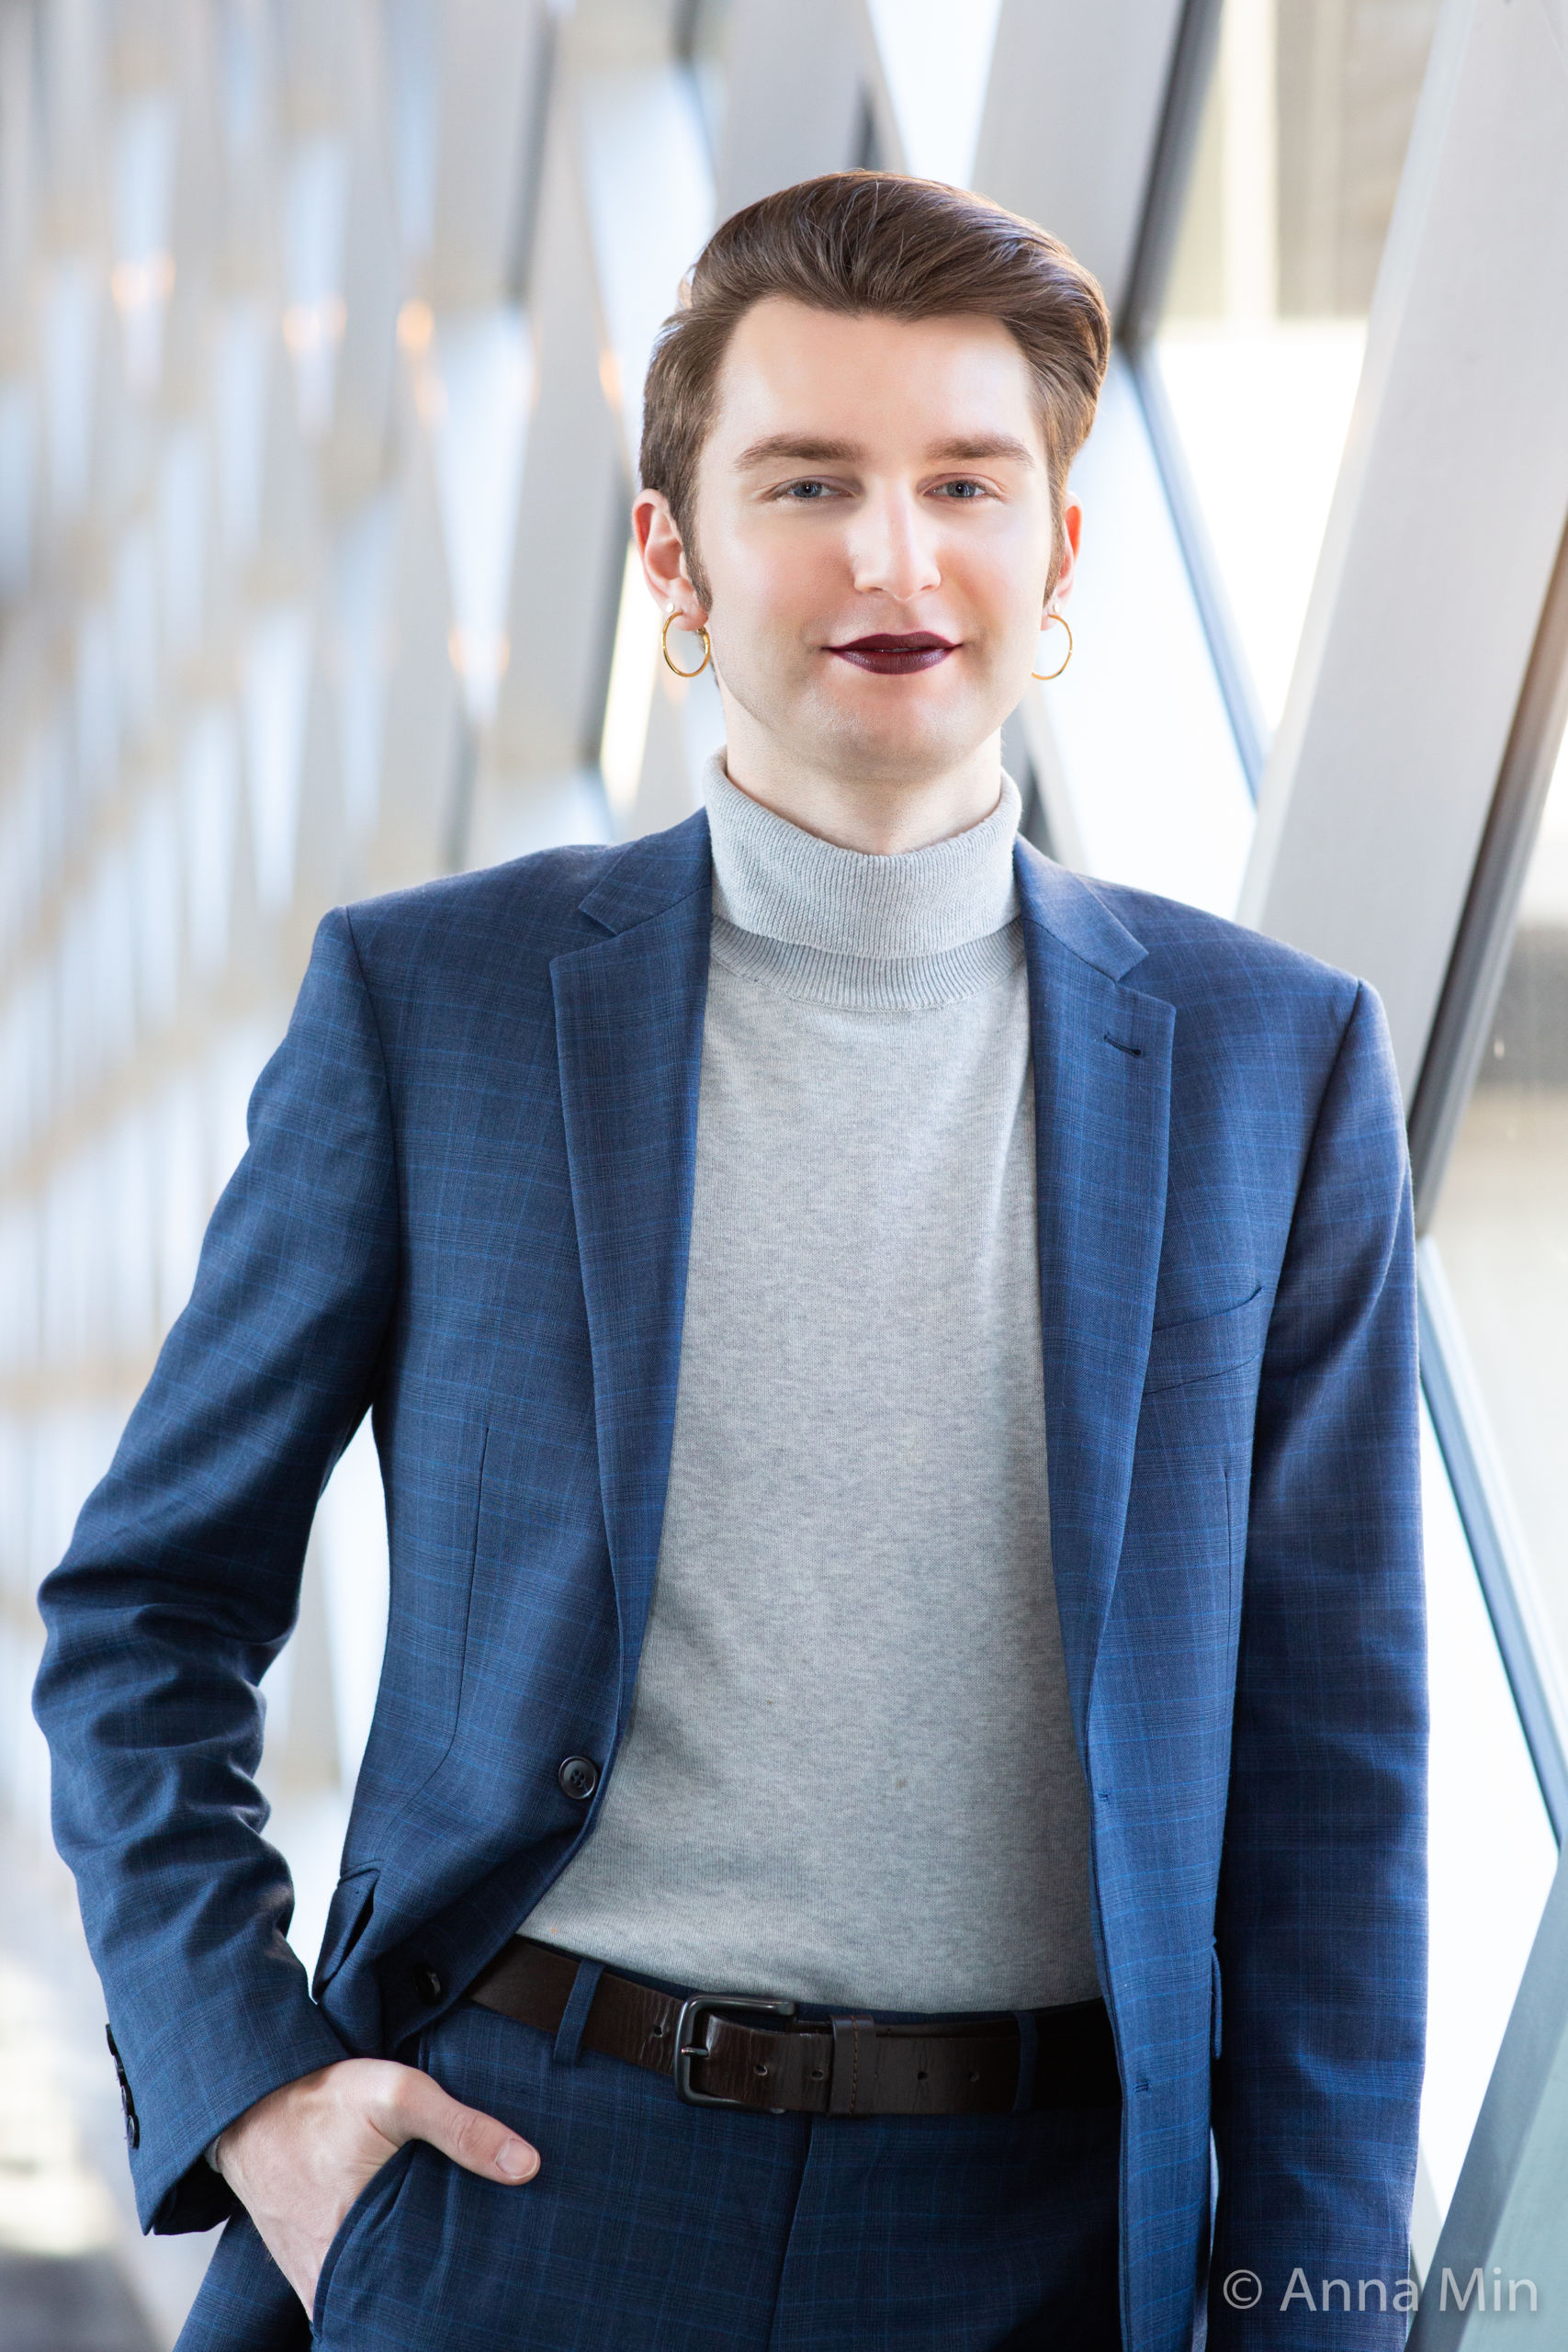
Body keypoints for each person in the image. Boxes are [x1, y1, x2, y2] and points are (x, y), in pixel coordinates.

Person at [33, 172, 1425, 2352]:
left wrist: (1319, 2312)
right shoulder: (441, 1008)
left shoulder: (1274, 1060)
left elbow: (1334, 1781)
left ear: (1056, 546)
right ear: (673, 556)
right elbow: (145, 1608)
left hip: (1054, 2238)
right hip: (522, 2196)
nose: (892, 555)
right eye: (807, 482)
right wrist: (266, 2091)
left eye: (963, 479)